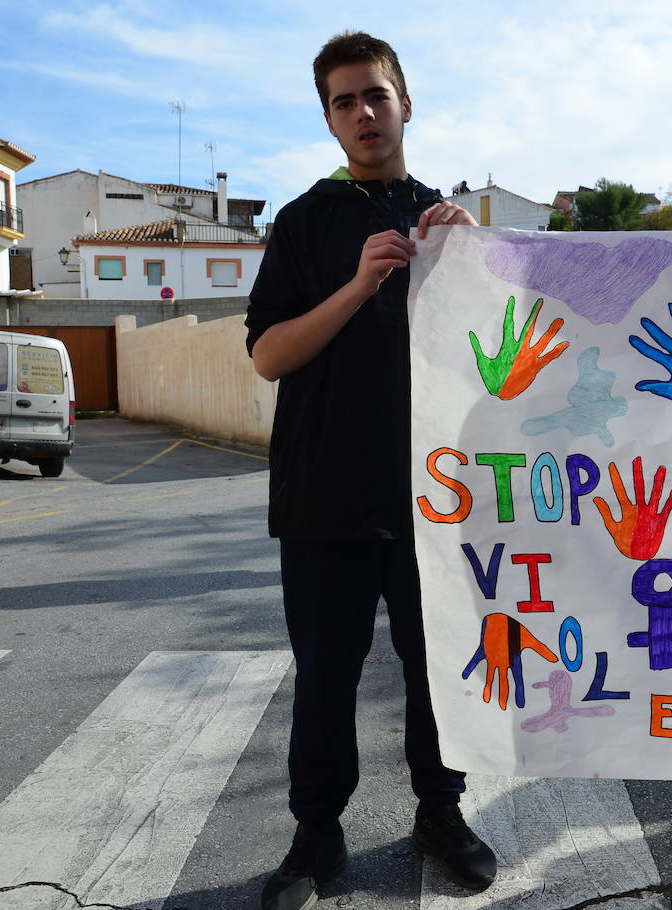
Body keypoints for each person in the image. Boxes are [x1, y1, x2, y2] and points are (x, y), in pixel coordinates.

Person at [245, 31, 495, 910]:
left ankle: (441, 812)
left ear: (406, 103)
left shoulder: (447, 224)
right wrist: (356, 286)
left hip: (436, 499)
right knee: (326, 678)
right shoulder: (302, 222)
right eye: (344, 101)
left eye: (376, 95)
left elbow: (505, 349)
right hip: (323, 494)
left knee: (439, 669)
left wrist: (481, 259)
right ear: (328, 120)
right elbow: (269, 356)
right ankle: (316, 834)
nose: (363, 113)